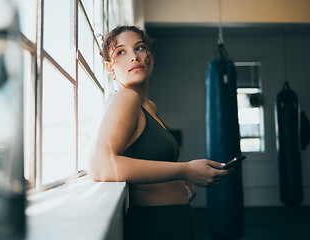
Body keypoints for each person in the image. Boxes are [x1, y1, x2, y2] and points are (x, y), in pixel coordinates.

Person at [89, 25, 230, 240]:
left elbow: (146, 161)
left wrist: (178, 181)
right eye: (121, 52)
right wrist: (184, 170)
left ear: (151, 59)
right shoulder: (126, 98)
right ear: (110, 67)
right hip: (155, 225)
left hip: (177, 219)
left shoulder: (149, 107)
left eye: (140, 48)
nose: (134, 56)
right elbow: (101, 166)